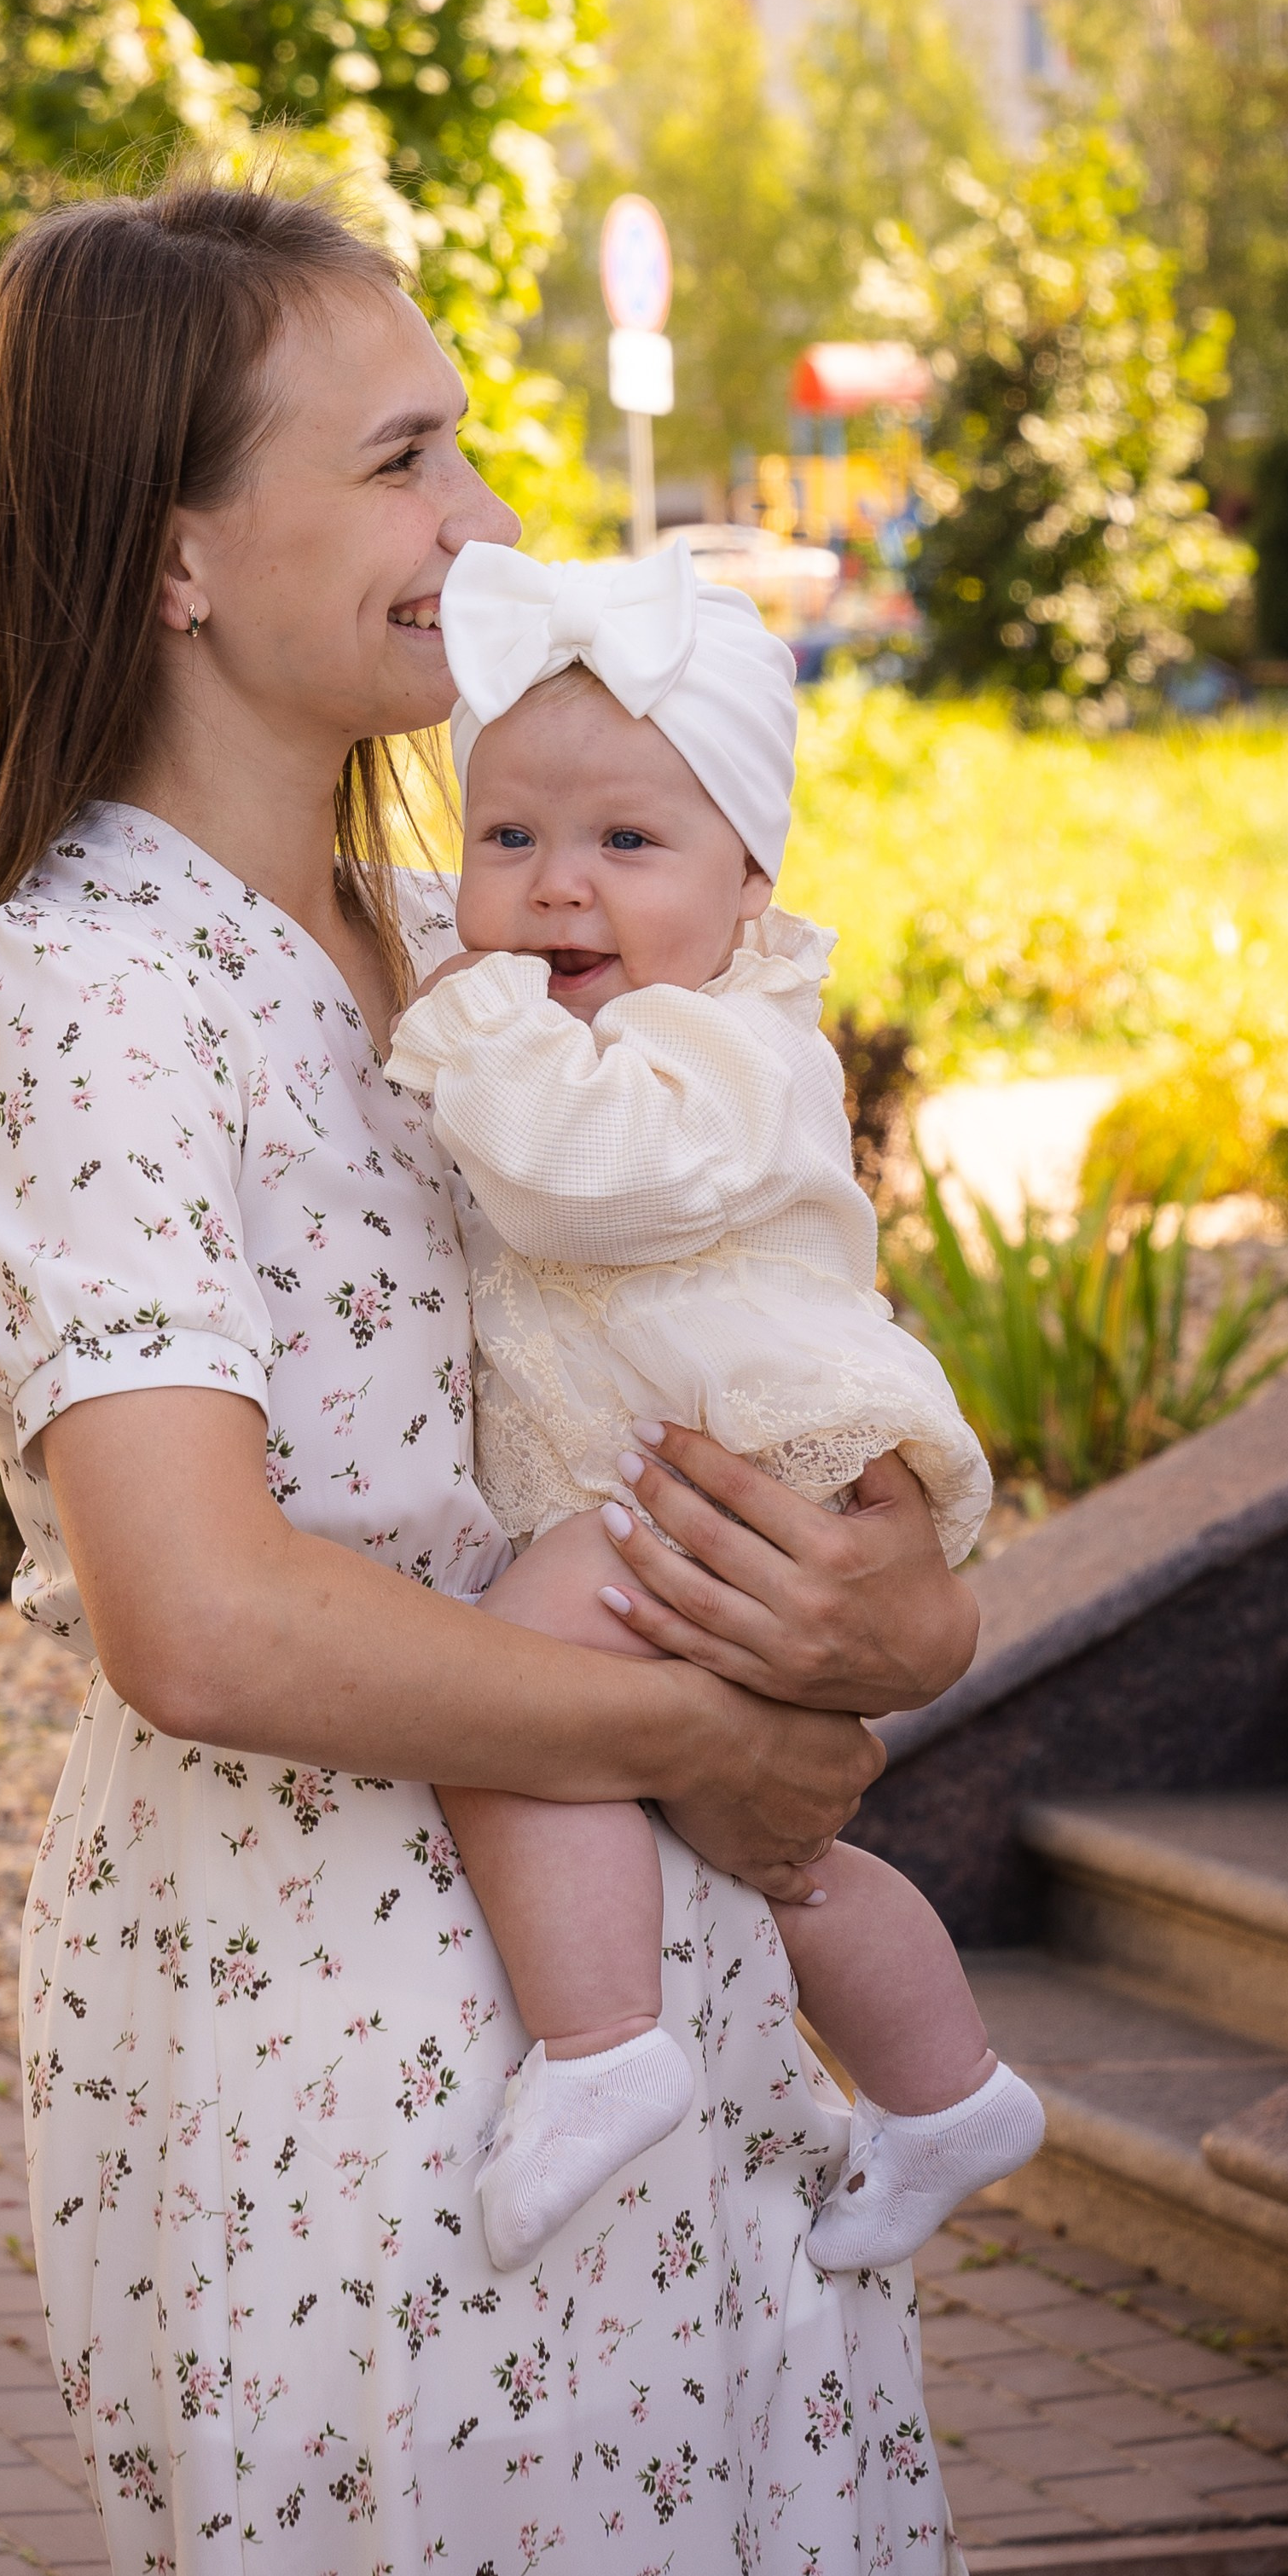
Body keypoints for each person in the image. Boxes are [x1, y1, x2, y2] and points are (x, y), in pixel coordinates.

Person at [0, 180, 982, 2576]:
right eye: (406, 457)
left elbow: (769, 1366)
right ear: (180, 559)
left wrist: (894, 1599)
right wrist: (690, 1739)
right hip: (358, 2037)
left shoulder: (466, 932)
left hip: (659, 1976)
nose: (484, 523)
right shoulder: (86, 992)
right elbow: (194, 1620)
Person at [384, 540, 1044, 2278]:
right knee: (777, 1855)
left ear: (747, 877)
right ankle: (940, 2092)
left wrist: (464, 1038)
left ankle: (598, 2054)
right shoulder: (613, 1014)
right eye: (506, 839)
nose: (552, 892)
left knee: (509, 1705)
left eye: (625, 843)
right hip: (703, 1472)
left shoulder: (723, 1048)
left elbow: (576, 1185)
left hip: (730, 1465)